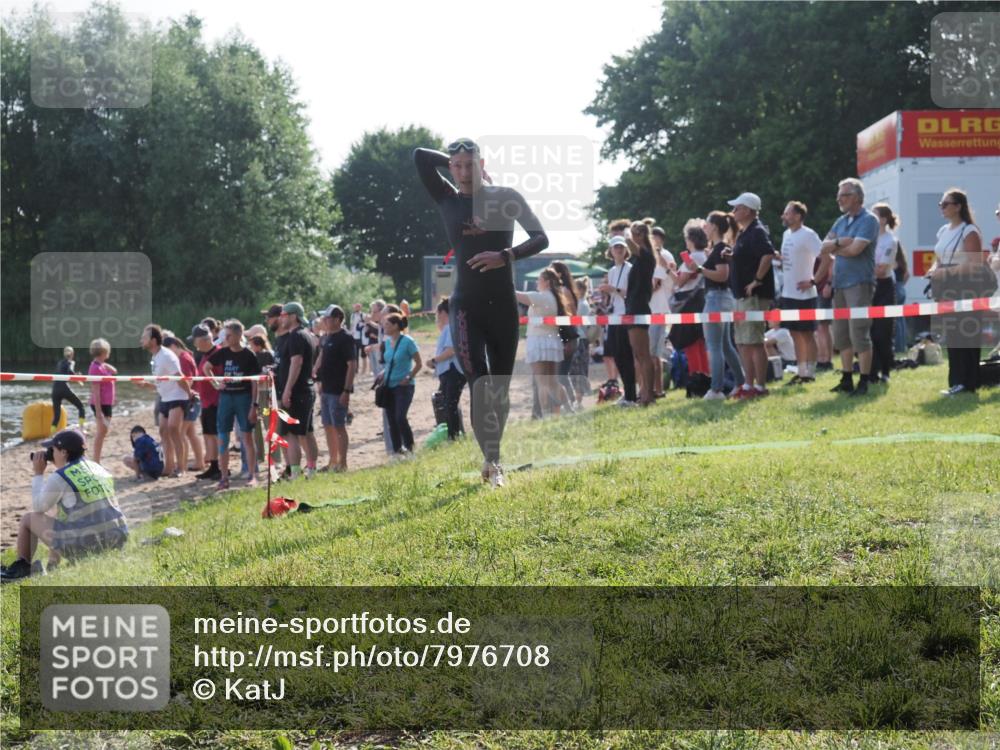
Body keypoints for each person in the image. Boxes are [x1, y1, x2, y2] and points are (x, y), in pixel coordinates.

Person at [414, 138, 548, 487]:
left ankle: (494, 456)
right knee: (481, 387)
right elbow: (420, 157)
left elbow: (540, 238)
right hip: (466, 307)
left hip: (503, 305)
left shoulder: (506, 197)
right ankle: (493, 462)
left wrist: (505, 256)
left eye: (468, 165)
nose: (461, 172)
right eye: (455, 166)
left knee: (499, 392)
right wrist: (455, 160)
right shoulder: (446, 197)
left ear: (482, 164)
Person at [1, 429, 128, 582]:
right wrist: (52, 564)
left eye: (52, 450)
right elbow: (61, 521)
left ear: (63, 452)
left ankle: (21, 569)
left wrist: (38, 474)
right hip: (117, 540)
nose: (50, 454)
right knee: (61, 514)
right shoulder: (98, 468)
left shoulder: (62, 476)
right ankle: (52, 565)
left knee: (29, 519)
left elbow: (38, 507)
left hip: (90, 547)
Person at [813, 178, 879, 397]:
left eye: (844, 195)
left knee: (858, 332)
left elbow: (856, 250)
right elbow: (824, 248)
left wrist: (837, 245)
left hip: (859, 283)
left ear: (857, 197)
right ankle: (847, 377)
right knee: (841, 334)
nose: (839, 199)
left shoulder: (869, 220)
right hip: (840, 283)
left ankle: (865, 380)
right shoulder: (840, 221)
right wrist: (843, 242)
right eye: (839, 195)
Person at [928, 188, 990, 396]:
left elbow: (975, 264)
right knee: (952, 335)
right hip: (947, 289)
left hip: (967, 288)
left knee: (966, 334)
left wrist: (947, 271)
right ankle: (956, 381)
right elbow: (939, 259)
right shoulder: (943, 231)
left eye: (946, 204)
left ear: (958, 206)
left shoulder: (969, 230)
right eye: (940, 204)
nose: (942, 208)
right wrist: (934, 272)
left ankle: (968, 383)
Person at [727, 192, 776, 399]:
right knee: (743, 342)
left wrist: (757, 279)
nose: (734, 211)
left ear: (747, 210)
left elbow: (768, 253)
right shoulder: (745, 232)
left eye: (737, 208)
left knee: (754, 341)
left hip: (754, 295)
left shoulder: (756, 230)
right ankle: (748, 385)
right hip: (742, 295)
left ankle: (761, 386)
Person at [205, 320, 261, 489]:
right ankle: (224, 478)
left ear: (238, 335)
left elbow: (255, 382)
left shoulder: (249, 355)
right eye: (225, 335)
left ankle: (252, 475)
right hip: (226, 398)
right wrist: (215, 384)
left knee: (247, 437)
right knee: (223, 438)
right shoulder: (222, 353)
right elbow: (206, 368)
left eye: (229, 335)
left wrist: (255, 405)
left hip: (243, 398)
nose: (226, 338)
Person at [698, 211, 745, 400]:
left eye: (707, 224)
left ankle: (716, 389)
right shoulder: (719, 249)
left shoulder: (720, 249)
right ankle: (742, 383)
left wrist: (700, 269)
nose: (705, 228)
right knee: (725, 346)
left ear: (715, 227)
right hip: (722, 298)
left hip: (716, 299)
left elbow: (722, 275)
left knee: (715, 346)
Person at [777, 201, 822, 384]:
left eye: (787, 213)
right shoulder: (786, 234)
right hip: (788, 293)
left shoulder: (809, 235)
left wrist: (813, 280)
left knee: (807, 333)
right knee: (794, 333)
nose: (784, 216)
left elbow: (826, 257)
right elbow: (790, 260)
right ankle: (801, 370)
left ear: (797, 216)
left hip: (805, 294)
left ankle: (810, 372)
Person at [138, 324, 191, 476]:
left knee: (174, 429)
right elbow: (161, 383)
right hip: (165, 398)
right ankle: (168, 467)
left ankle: (181, 468)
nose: (141, 340)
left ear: (153, 340)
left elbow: (180, 377)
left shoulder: (167, 355)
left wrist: (189, 394)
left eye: (145, 337)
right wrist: (147, 385)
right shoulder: (154, 357)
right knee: (163, 431)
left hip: (178, 397)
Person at [517, 269, 569, 418]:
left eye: (539, 279)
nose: (536, 282)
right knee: (553, 381)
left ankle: (546, 415)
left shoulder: (541, 297)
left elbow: (517, 295)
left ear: (546, 282)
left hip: (538, 340)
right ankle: (566, 409)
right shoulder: (555, 297)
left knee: (542, 382)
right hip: (552, 340)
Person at [311, 304, 356, 472]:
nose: (324, 320)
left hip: (338, 390)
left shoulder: (346, 338)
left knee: (339, 426)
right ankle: (332, 461)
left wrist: (347, 390)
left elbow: (351, 365)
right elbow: (322, 355)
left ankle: (342, 463)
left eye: (328, 318)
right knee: (328, 425)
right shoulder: (327, 337)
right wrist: (316, 369)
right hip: (326, 389)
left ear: (338, 319)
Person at [274, 302, 317, 479]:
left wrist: (287, 390)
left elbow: (296, 362)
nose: (280, 318)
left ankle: (296, 474)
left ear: (293, 316)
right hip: (304, 390)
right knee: (306, 433)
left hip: (297, 392)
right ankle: (312, 471)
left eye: (283, 315)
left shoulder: (296, 336)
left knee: (292, 434)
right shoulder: (306, 335)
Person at [598, 236, 636, 406]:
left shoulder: (630, 269)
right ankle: (627, 393)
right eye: (615, 247)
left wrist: (613, 289)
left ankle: (631, 395)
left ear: (626, 250)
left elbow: (631, 294)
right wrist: (606, 294)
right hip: (614, 318)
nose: (619, 250)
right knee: (617, 356)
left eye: (621, 247)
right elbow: (615, 295)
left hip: (626, 316)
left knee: (626, 356)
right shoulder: (612, 271)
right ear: (611, 251)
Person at [624, 221, 657, 406]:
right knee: (638, 354)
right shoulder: (638, 258)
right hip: (632, 306)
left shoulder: (646, 256)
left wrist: (626, 234)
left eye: (635, 233)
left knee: (643, 354)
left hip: (639, 307)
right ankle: (644, 393)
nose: (632, 236)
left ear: (642, 235)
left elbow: (630, 244)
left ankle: (649, 396)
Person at [380, 312, 422, 455]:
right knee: (391, 419)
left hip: (404, 386)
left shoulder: (408, 341)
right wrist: (382, 374)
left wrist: (409, 376)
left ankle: (410, 448)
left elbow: (419, 363)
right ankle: (397, 451)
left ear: (396, 326)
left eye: (387, 324)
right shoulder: (386, 343)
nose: (384, 327)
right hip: (388, 386)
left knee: (400, 417)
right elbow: (388, 363)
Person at [426, 297, 467, 440]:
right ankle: (454, 433)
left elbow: (451, 351)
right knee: (448, 404)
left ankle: (454, 436)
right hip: (448, 371)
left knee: (450, 404)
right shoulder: (450, 328)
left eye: (438, 314)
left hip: (453, 370)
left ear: (444, 313)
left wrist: (433, 360)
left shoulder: (451, 327)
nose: (437, 317)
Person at [870, 203, 901, 383]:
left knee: (883, 332)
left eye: (874, 216)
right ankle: (871, 371)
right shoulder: (869, 238)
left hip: (884, 288)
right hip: (868, 287)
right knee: (869, 331)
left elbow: (882, 270)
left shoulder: (890, 240)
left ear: (883, 219)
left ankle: (886, 370)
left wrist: (864, 270)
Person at [165, 336, 205, 473]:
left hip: (190, 399)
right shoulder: (186, 356)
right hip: (193, 397)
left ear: (175, 345)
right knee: (190, 432)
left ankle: (182, 464)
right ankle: (199, 461)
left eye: (169, 350)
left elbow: (188, 381)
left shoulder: (183, 358)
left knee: (181, 433)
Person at [189, 325, 222, 481]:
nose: (194, 344)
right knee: (209, 434)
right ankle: (214, 466)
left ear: (201, 340)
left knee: (216, 435)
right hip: (206, 401)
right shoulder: (204, 354)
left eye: (194, 341)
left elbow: (220, 379)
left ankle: (221, 466)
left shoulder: (218, 353)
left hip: (216, 402)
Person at [649, 226, 672, 398]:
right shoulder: (658, 256)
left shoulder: (661, 256)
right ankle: (657, 388)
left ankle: (657, 389)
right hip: (655, 309)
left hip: (658, 309)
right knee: (653, 353)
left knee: (653, 353)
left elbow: (654, 285)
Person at [87, 338, 116, 464]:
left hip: (107, 403)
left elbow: (115, 371)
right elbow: (96, 390)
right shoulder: (95, 368)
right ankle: (96, 461)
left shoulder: (101, 365)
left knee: (103, 432)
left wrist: (104, 363)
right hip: (100, 404)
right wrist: (98, 412)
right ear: (104, 352)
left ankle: (96, 459)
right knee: (101, 432)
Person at [51, 347, 85, 434]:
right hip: (64, 388)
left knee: (57, 416)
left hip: (55, 389)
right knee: (81, 407)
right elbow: (70, 372)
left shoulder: (59, 363)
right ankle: (82, 429)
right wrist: (78, 377)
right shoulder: (71, 362)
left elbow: (65, 373)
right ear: (72, 354)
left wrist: (77, 378)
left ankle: (51, 435)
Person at [350, 303, 367, 376]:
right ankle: (356, 369)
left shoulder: (363, 315)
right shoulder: (353, 315)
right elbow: (352, 325)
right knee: (355, 354)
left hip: (362, 337)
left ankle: (364, 370)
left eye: (358, 307)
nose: (356, 308)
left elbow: (365, 324)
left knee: (363, 354)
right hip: (355, 336)